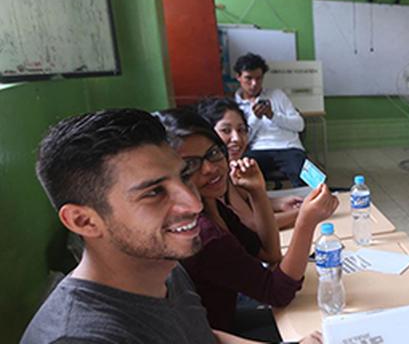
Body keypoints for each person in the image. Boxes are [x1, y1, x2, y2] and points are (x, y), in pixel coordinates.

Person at [22, 108, 320, 344]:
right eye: (154, 192)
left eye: (184, 176)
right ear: (84, 221)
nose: (193, 203)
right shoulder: (81, 337)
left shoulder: (163, 266)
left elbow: (202, 336)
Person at [155, 109, 338, 334]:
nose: (210, 168)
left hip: (226, 320)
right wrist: (306, 222)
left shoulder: (213, 205)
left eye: (213, 153)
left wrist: (257, 191)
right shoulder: (204, 233)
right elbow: (278, 293)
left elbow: (268, 254)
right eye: (190, 164)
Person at [198, 97, 304, 230]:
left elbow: (245, 202)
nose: (236, 138)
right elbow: (253, 225)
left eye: (242, 130)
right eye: (226, 130)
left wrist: (279, 203)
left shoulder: (229, 168)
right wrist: (305, 212)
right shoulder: (213, 176)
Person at [234, 52, 308, 187]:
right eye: (248, 78)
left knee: (307, 178)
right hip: (257, 149)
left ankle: (310, 205)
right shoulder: (235, 106)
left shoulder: (277, 95)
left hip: (289, 147)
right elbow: (243, 139)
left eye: (259, 78)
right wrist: (255, 118)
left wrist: (272, 115)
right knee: (241, 175)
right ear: (238, 77)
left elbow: (300, 125)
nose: (254, 84)